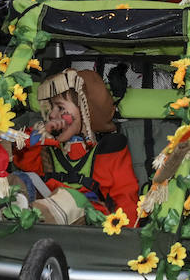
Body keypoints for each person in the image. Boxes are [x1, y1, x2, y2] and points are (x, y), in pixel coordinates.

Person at [10, 69, 139, 225]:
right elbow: (22, 158)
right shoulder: (49, 146)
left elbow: (125, 196)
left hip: (88, 216)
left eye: (60, 108)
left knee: (69, 200)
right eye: (50, 108)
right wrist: (39, 135)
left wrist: (128, 236)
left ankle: (30, 214)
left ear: (87, 110)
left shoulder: (108, 150)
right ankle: (11, 209)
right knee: (21, 179)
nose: (51, 115)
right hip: (47, 204)